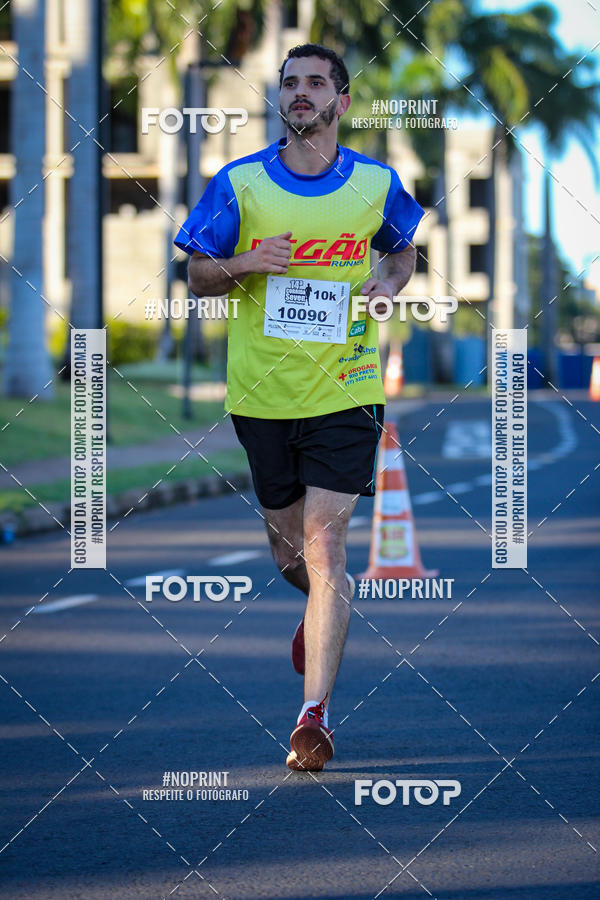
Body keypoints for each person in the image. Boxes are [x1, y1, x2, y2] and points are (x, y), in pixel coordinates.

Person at [174, 43, 424, 771]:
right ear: (281, 99)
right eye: (291, 83)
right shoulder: (240, 183)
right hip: (262, 395)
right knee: (291, 553)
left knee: (326, 546)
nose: (302, 92)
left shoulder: (375, 183)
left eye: (317, 83)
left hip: (347, 389)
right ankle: (315, 609)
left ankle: (313, 718)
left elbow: (404, 247)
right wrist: (249, 261)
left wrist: (388, 282)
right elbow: (196, 274)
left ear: (342, 102)